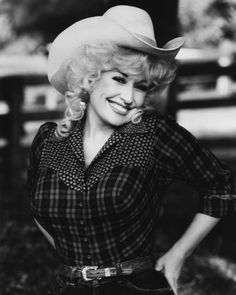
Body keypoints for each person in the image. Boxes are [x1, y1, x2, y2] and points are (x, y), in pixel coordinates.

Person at [27, 5, 236, 295]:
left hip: (134, 287)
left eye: (142, 86)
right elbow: (36, 206)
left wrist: (178, 254)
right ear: (90, 76)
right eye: (119, 79)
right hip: (68, 288)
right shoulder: (49, 140)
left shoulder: (153, 135)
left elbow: (220, 184)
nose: (128, 97)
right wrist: (77, 263)